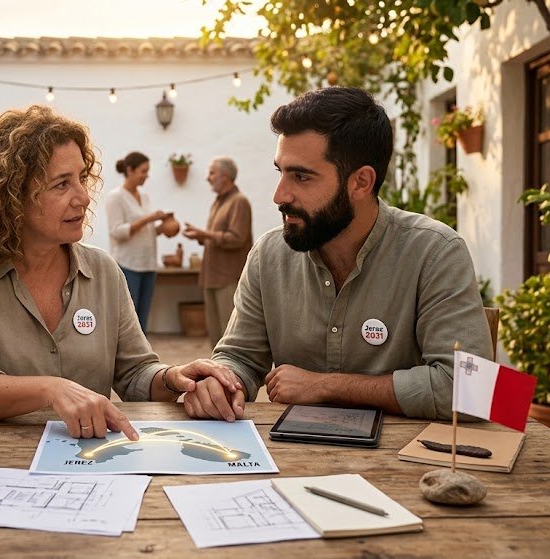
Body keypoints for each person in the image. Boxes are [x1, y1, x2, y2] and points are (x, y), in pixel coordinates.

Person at [0, 105, 240, 440]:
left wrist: (174, 376)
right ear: (10, 195)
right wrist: (50, 390)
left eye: (81, 179)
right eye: (62, 184)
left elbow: (135, 373)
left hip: (91, 461)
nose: (84, 198)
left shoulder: (103, 271)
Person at [183, 87, 493, 422]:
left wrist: (327, 386)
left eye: (301, 176)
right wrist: (222, 382)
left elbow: (476, 392)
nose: (279, 195)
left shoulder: (436, 252)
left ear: (361, 182)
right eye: (280, 172)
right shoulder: (268, 256)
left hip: (408, 467)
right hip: (295, 465)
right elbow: (239, 357)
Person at [183, 157, 253, 348]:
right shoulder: (218, 202)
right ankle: (217, 373)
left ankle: (233, 376)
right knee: (215, 337)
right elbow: (218, 237)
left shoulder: (239, 201)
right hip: (212, 276)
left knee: (230, 336)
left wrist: (204, 233)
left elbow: (237, 238)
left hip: (228, 278)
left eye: (212, 173)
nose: (207, 178)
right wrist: (199, 235)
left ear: (226, 177)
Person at [103, 151, 172, 332]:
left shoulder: (145, 197)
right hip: (128, 264)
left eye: (147, 171)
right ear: (129, 170)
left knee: (143, 317)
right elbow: (117, 232)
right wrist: (149, 219)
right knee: (129, 318)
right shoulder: (115, 197)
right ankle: (126, 358)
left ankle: (142, 358)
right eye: (143, 171)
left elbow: (144, 232)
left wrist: (161, 229)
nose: (146, 176)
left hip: (148, 264)